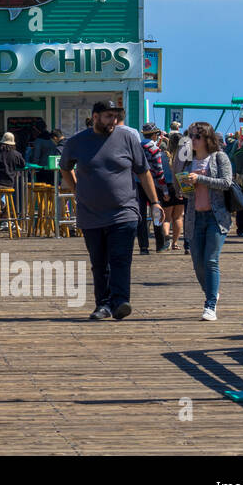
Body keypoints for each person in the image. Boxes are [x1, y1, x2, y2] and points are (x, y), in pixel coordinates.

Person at [60, 101, 162, 321]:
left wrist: (154, 201)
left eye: (115, 117)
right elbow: (65, 168)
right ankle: (103, 304)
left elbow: (143, 172)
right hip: (91, 214)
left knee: (120, 259)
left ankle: (120, 301)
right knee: (99, 263)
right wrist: (77, 189)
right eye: (108, 116)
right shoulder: (77, 142)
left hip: (124, 211)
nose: (113, 121)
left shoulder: (128, 139)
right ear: (95, 117)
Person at [182, 122, 234, 321]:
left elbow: (226, 183)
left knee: (211, 260)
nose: (192, 140)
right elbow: (186, 195)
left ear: (207, 139)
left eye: (196, 137)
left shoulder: (219, 157)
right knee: (197, 262)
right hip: (195, 217)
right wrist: (184, 185)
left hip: (216, 217)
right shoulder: (189, 161)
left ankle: (210, 305)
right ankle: (212, 292)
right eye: (191, 136)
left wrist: (200, 179)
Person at [137, 122, 172, 254]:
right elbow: (159, 172)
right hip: (154, 186)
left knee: (141, 215)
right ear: (153, 135)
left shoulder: (137, 148)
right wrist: (165, 190)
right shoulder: (154, 149)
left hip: (138, 185)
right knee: (157, 214)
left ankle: (143, 247)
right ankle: (160, 244)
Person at [0, 132, 25, 235]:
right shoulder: (16, 154)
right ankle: (3, 205)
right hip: (9, 183)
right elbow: (23, 165)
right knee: (3, 193)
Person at [162, 130, 188, 251]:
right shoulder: (183, 155)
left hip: (166, 187)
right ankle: (175, 243)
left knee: (166, 218)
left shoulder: (163, 155)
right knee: (178, 217)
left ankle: (166, 237)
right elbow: (184, 172)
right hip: (180, 185)